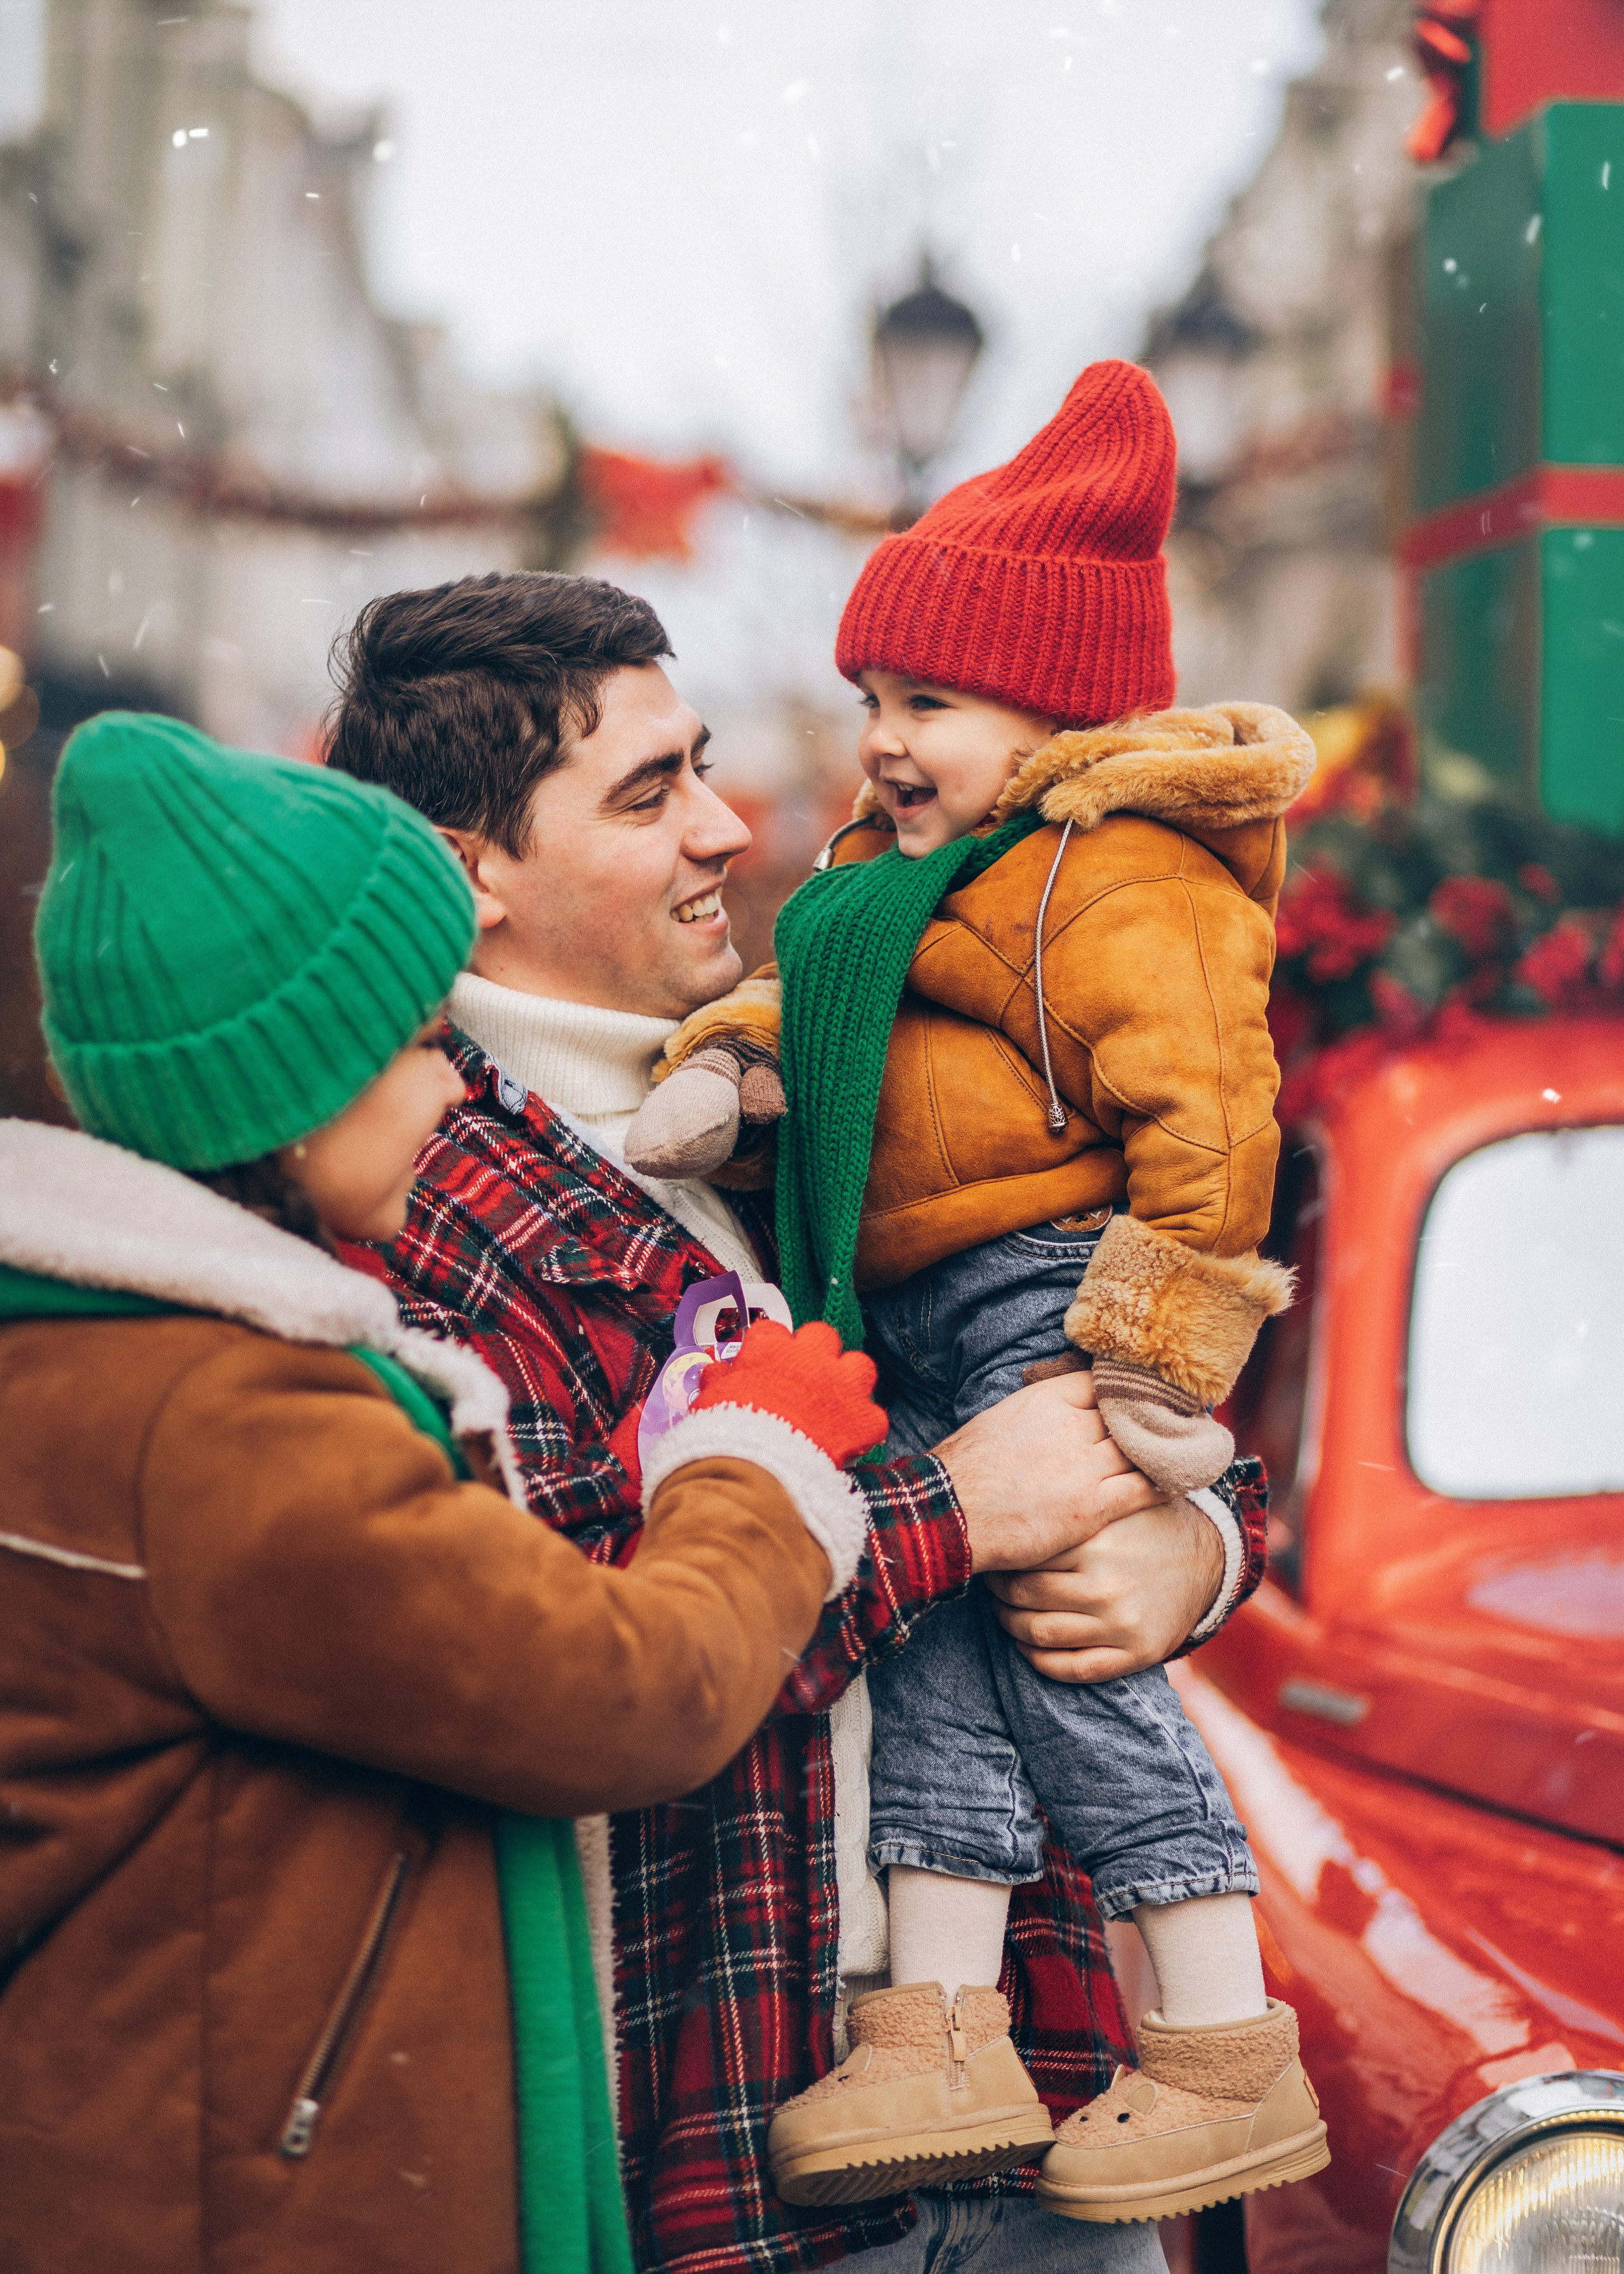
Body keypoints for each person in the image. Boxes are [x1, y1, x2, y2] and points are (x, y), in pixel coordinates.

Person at [324, 567, 1269, 2274]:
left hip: (1045, 2095)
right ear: (471, 874)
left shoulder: (828, 1085)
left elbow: (1095, 1361)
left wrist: (1189, 1548)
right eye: (649, 793)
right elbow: (566, 1661)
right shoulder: (422, 1200)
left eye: (701, 764)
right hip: (755, 2139)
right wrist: (953, 1516)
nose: (727, 824)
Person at [0, 710, 901, 2274]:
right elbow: (618, 1696)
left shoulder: (109, 1357)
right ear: (296, 1082)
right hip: (270, 2212)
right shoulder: (223, 1420)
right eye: (419, 1044)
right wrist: (756, 1457)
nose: (447, 1092)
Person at [628, 362, 1328, 2227]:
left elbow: (1212, 1114)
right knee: (938, 1650)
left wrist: (1159, 1363)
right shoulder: (895, 886)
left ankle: (1222, 2037)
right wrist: (730, 1071)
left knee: (1060, 1655)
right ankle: (937, 2024)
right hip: (908, 1316)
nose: (880, 742)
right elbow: (809, 1003)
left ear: (1058, 710)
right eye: (872, 699)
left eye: (924, 702)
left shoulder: (1117, 879)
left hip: (1042, 1293)